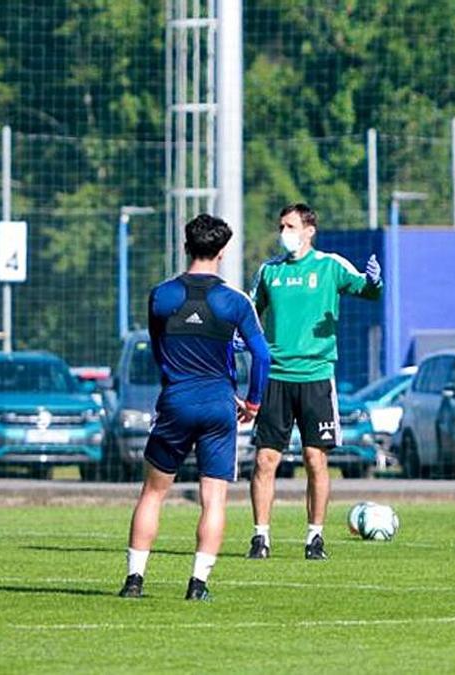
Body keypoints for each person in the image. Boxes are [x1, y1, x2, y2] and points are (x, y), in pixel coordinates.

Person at [119, 214, 271, 601]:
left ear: (186, 246)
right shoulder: (236, 301)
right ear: (222, 251)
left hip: (176, 400)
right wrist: (252, 401)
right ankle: (198, 583)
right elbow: (262, 356)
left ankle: (135, 580)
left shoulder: (161, 295)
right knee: (214, 497)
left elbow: (157, 347)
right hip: (219, 404)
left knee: (153, 492)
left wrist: (173, 382)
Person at [247, 203, 383, 560]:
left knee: (314, 459)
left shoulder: (330, 265)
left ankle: (315, 537)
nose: (284, 233)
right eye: (281, 226)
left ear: (309, 231)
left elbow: (367, 291)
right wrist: (239, 336)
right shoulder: (269, 272)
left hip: (316, 376)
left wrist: (374, 282)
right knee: (265, 460)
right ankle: (260, 537)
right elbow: (249, 312)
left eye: (290, 226)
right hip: (275, 376)